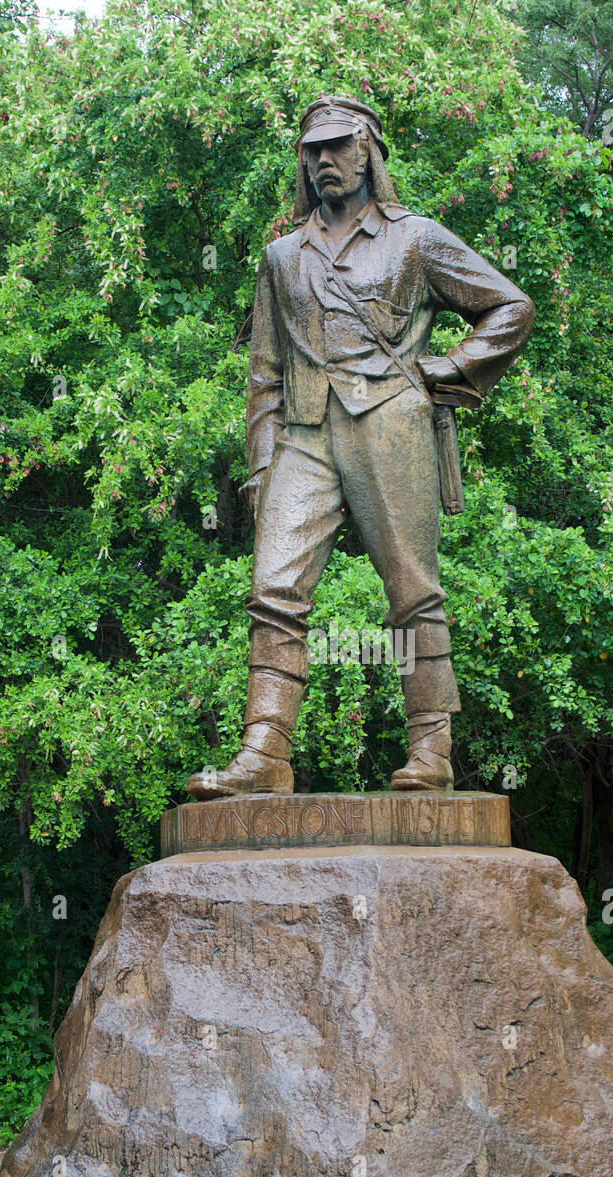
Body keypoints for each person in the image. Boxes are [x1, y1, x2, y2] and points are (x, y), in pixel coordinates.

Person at [189, 96, 534, 799]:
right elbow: (265, 372)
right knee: (272, 591)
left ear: (368, 149)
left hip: (390, 422)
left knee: (412, 591)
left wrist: (446, 369)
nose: (324, 160)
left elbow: (509, 305)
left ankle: (431, 749)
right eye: (312, 150)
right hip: (305, 434)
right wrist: (262, 464)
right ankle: (264, 754)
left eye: (338, 146)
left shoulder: (415, 238)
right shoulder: (282, 255)